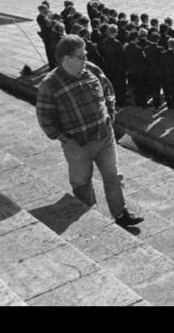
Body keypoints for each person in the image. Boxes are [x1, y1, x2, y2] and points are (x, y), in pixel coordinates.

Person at [35, 34, 143, 229]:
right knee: (81, 182)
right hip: (77, 144)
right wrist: (65, 138)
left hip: (104, 136)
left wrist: (110, 115)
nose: (86, 58)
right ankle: (90, 217)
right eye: (81, 56)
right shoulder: (49, 85)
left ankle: (120, 213)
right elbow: (45, 119)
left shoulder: (91, 69)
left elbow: (108, 91)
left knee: (113, 176)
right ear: (66, 59)